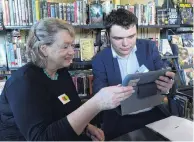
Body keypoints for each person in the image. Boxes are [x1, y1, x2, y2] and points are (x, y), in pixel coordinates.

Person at [0, 18, 134, 141]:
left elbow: (71, 110)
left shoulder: (61, 72)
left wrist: (87, 127)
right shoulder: (23, 82)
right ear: (44, 49)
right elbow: (40, 139)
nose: (72, 51)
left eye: (72, 45)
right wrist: (96, 103)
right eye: (65, 46)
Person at [92, 9, 175, 140]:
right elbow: (98, 91)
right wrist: (111, 94)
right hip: (120, 120)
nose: (126, 44)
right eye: (118, 38)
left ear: (137, 32)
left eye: (131, 37)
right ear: (107, 36)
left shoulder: (149, 47)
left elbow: (163, 71)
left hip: (153, 114)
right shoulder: (100, 59)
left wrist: (168, 84)